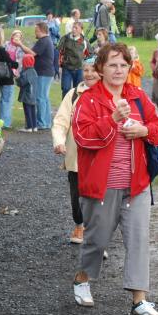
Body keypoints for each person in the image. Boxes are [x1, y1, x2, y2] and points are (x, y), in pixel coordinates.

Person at [72, 43, 158, 315]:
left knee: (138, 240)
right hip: (102, 186)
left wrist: (144, 129)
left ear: (130, 68)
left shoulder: (138, 97)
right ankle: (82, 278)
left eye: (123, 65)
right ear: (100, 68)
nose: (118, 70)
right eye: (112, 64)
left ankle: (140, 300)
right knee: (97, 240)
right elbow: (83, 137)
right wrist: (112, 120)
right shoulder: (89, 100)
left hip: (136, 184)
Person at [52, 57, 99, 244]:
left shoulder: (109, 94)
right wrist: (59, 141)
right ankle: (79, 225)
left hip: (100, 157)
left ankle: (96, 235)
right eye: (86, 70)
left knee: (99, 197)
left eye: (93, 70)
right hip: (76, 157)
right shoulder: (73, 94)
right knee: (76, 195)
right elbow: (61, 121)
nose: (89, 74)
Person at [0, 27, 18, 131]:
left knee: (3, 100)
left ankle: (2, 121)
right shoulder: (2, 50)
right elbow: (10, 62)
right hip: (7, 78)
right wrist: (17, 64)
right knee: (7, 100)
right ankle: (5, 122)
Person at [30, 21, 56, 131]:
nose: (35, 33)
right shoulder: (47, 40)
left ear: (41, 30)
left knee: (40, 98)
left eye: (36, 30)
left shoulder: (43, 41)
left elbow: (32, 53)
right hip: (47, 72)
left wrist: (20, 45)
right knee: (44, 98)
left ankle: (42, 123)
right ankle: (46, 122)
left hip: (43, 73)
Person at [58, 21, 87, 97]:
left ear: (81, 30)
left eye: (76, 28)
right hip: (67, 68)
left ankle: (75, 107)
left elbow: (89, 54)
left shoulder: (84, 41)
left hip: (79, 69)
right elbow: (58, 50)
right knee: (65, 89)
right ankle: (65, 107)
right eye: (73, 27)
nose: (74, 29)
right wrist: (59, 63)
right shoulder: (65, 38)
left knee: (78, 90)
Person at [17, 53, 39, 132]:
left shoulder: (26, 72)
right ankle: (34, 126)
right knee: (33, 110)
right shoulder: (34, 71)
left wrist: (17, 78)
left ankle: (29, 127)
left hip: (27, 95)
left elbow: (22, 83)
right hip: (33, 95)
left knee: (27, 111)